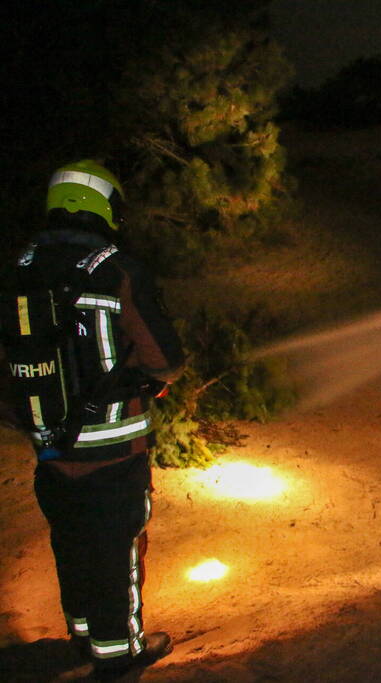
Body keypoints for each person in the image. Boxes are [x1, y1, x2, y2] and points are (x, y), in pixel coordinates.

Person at [0, 160, 184, 679]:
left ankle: (81, 636)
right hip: (111, 449)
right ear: (106, 205)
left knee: (71, 540)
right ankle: (119, 654)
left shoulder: (21, 267)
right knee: (114, 548)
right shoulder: (116, 268)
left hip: (48, 446)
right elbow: (165, 359)